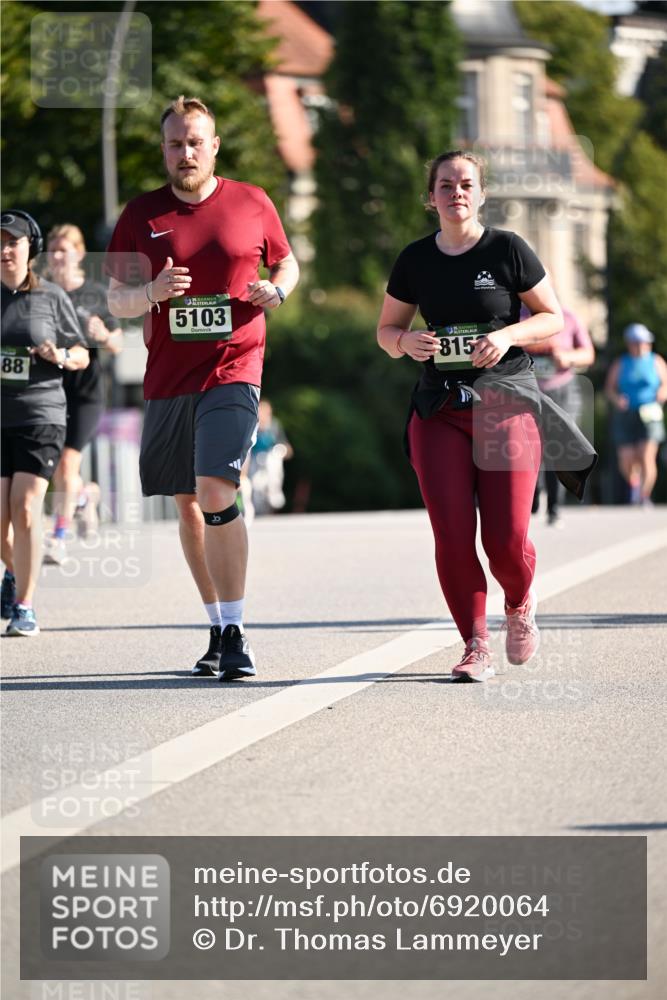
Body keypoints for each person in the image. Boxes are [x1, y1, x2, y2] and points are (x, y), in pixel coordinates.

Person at [105, 95, 299, 679]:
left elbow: (286, 263)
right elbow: (115, 301)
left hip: (235, 368)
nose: (185, 152)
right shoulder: (141, 214)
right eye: (174, 144)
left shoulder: (252, 202)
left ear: (214, 146)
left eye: (195, 142)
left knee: (215, 489)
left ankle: (237, 632)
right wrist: (152, 293)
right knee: (188, 505)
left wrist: (277, 290)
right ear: (163, 150)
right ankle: (216, 623)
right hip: (168, 378)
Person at [377, 151, 565, 682]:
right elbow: (386, 332)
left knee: (505, 539)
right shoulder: (415, 259)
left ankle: (520, 601)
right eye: (445, 185)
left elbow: (552, 317)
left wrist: (505, 335)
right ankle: (475, 644)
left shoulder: (507, 249)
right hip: (439, 410)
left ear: (481, 194)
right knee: (453, 537)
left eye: (466, 184)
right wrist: (405, 341)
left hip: (505, 405)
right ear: (430, 196)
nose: (456, 193)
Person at [1, 210, 89, 636]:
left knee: (24, 507)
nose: (4, 249)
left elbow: (82, 354)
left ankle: (25, 605)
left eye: (12, 242)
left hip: (41, 414)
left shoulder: (51, 297)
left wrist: (61, 357)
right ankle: (15, 572)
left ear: (29, 248)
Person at [44, 224, 123, 564]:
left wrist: (104, 335)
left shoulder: (94, 293)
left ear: (79, 252)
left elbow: (117, 344)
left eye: (65, 249)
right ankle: (85, 496)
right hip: (47, 391)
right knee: (52, 467)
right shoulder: (39, 293)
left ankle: (58, 537)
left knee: (66, 462)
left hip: (86, 393)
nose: (59, 256)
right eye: (54, 249)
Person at [527, 302, 595, 526]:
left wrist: (567, 358)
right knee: (527, 447)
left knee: (557, 448)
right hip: (525, 389)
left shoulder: (568, 317)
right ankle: (533, 495)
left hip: (561, 389)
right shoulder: (516, 316)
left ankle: (554, 509)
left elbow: (588, 354)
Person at [605, 323, 667, 505]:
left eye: (643, 342)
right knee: (626, 457)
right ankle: (634, 484)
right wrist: (617, 399)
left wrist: (662, 392)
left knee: (646, 455)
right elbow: (610, 389)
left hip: (650, 413)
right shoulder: (621, 363)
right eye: (636, 342)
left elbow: (665, 384)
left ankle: (644, 495)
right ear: (629, 343)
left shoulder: (656, 361)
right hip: (626, 414)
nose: (640, 345)